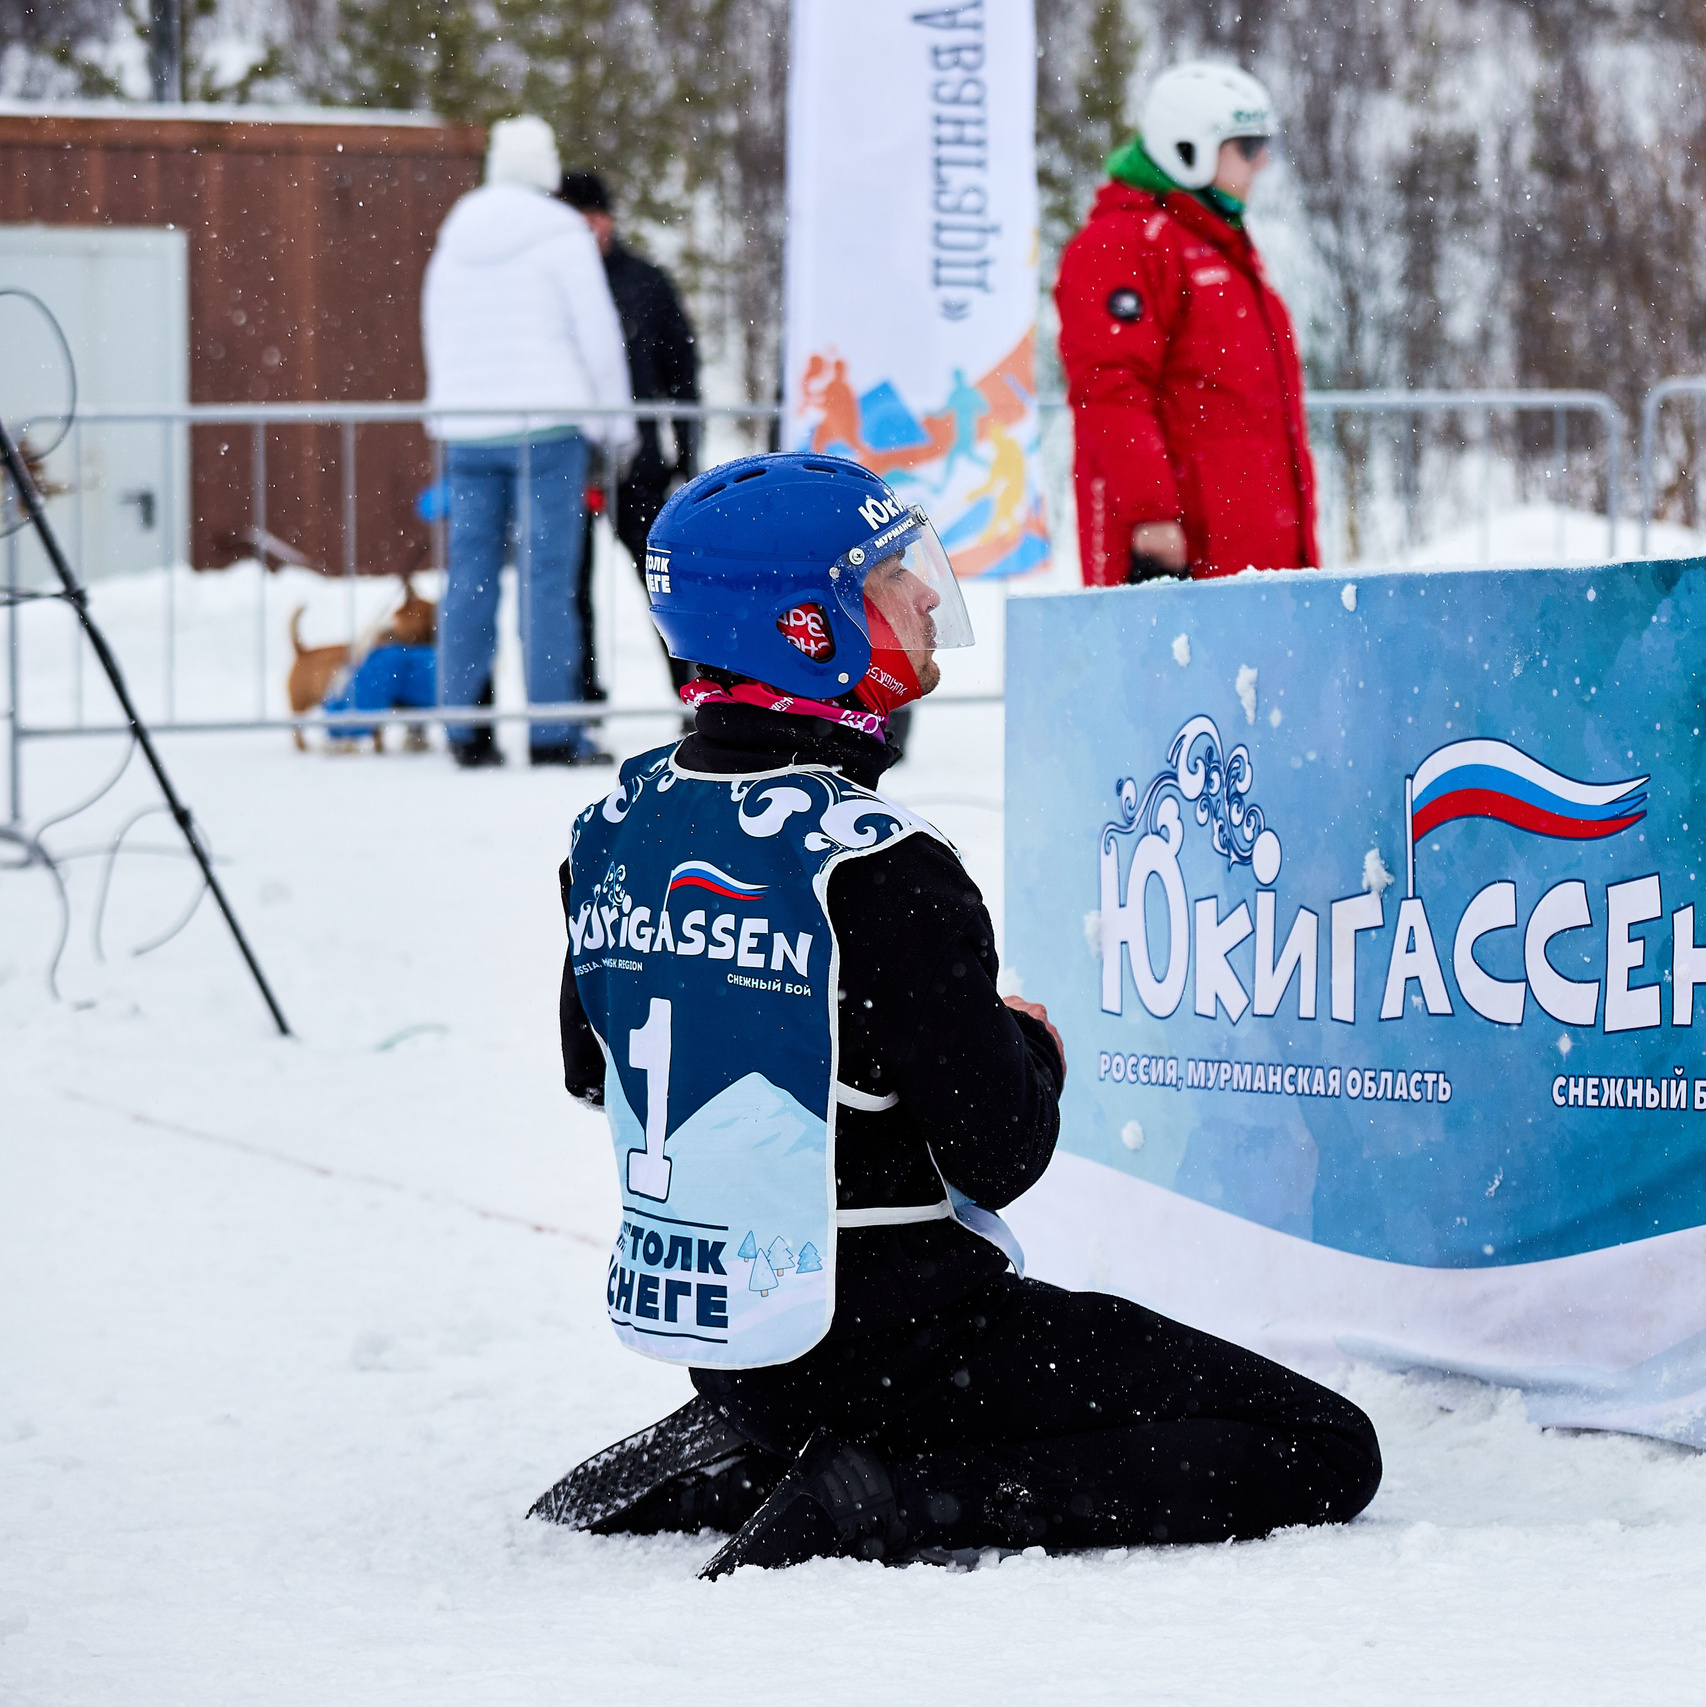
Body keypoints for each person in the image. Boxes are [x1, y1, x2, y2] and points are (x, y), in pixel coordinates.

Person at [544, 454, 1380, 1573]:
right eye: (891, 574)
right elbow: (1003, 1151)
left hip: (729, 1331)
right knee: (1323, 1445)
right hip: (906, 1342)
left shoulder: (616, 822)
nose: (929, 595)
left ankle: (759, 1433)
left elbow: (593, 1070)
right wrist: (1021, 1040)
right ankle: (891, 1492)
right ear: (805, 626)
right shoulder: (882, 868)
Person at [421, 114, 634, 769]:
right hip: (549, 424)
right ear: (544, 168)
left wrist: (454, 408)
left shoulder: (456, 235)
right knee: (549, 575)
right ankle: (551, 729)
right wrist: (618, 423)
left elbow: (436, 324)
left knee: (470, 576)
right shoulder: (561, 233)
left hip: (469, 429)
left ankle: (464, 725)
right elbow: (596, 336)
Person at [1055, 61, 1319, 587]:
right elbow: (1111, 389)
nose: (1262, 161)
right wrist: (1152, 518)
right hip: (1189, 556)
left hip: (1254, 553)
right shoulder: (1124, 243)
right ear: (1189, 148)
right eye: (1246, 147)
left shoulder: (1216, 243)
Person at [556, 168, 703, 700]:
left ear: (608, 221)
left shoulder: (645, 280)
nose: (583, 234)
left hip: (637, 465)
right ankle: (580, 699)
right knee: (569, 590)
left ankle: (693, 696)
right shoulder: (549, 284)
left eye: (591, 221)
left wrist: (688, 456)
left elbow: (683, 372)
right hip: (564, 461)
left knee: (666, 585)